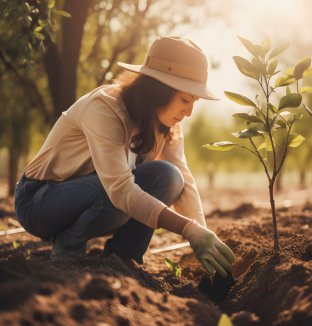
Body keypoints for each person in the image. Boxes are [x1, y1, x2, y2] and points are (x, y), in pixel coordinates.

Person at [14, 36, 234, 278]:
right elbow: (120, 190)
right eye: (184, 99)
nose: (189, 112)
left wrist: (202, 237)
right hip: (40, 202)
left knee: (170, 177)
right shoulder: (105, 109)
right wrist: (187, 229)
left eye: (194, 102)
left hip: (96, 190)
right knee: (120, 191)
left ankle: (122, 257)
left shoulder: (168, 124)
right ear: (158, 90)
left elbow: (183, 179)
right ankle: (68, 247)